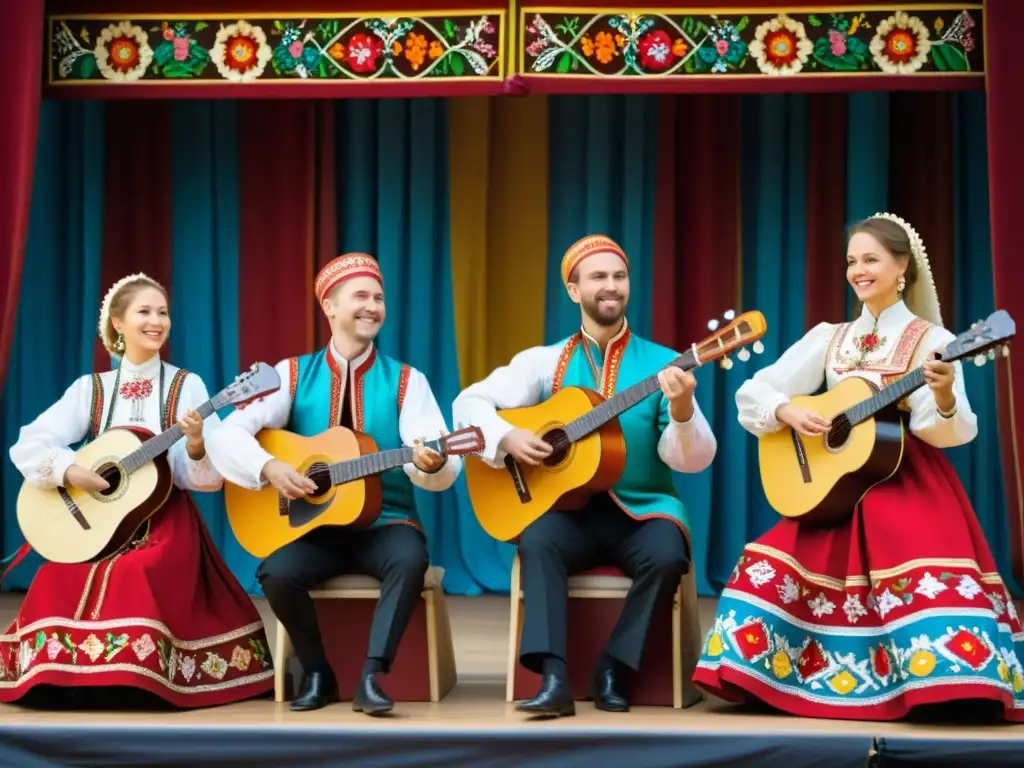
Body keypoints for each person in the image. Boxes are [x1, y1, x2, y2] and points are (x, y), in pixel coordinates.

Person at [692, 213, 1024, 722]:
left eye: (870, 259)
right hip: (832, 483)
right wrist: (787, 410)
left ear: (901, 268)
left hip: (905, 476)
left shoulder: (933, 337)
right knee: (767, 563)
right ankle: (778, 680)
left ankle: (941, 687)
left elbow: (953, 432)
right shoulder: (831, 336)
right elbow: (755, 388)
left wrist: (940, 393)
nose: (858, 270)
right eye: (852, 261)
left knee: (918, 572)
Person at [453, 234, 717, 716]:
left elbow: (694, 459)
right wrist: (505, 438)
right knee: (538, 540)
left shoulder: (664, 363)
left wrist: (680, 409)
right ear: (574, 290)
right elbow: (468, 403)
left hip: (640, 508)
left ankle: (613, 667)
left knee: (667, 553)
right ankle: (554, 679)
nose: (611, 286)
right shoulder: (545, 362)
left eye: (619, 276)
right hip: (568, 510)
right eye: (598, 277)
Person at [1, 273, 274, 709]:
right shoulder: (90, 389)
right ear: (117, 323)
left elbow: (204, 479)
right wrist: (73, 472)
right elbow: (29, 443)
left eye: (162, 312)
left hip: (163, 523)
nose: (157, 321)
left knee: (136, 572)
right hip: (96, 524)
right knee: (56, 574)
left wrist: (199, 443)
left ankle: (133, 680)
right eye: (144, 312)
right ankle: (61, 680)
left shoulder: (189, 386)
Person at [205, 253, 460, 715]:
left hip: (387, 523)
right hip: (314, 528)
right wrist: (269, 468)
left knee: (409, 560)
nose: (373, 306)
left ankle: (373, 675)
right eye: (360, 296)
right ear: (330, 306)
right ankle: (317, 671)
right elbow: (226, 434)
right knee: (275, 572)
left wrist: (428, 460)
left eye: (379, 298)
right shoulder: (290, 374)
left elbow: (438, 465)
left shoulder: (407, 381)